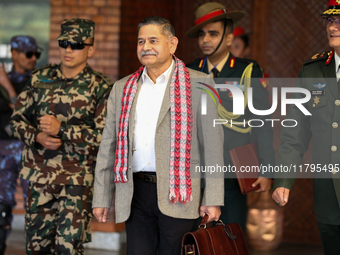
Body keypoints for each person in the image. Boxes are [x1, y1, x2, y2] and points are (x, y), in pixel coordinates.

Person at [92, 16, 224, 255]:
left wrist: (213, 197)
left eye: (153, 40)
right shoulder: (122, 88)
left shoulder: (200, 83)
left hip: (179, 192)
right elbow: (108, 146)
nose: (145, 47)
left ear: (172, 44)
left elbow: (213, 147)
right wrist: (101, 197)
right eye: (141, 41)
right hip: (135, 193)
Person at [10, 18, 113, 255]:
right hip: (40, 178)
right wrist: (37, 136)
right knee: (36, 249)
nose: (69, 49)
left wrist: (63, 131)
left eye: (77, 44)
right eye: (64, 43)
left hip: (77, 182)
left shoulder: (101, 87)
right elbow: (16, 121)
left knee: (68, 249)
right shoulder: (39, 79)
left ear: (91, 49)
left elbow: (104, 138)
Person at [186, 2, 275, 232]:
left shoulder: (247, 71)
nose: (206, 39)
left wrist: (267, 169)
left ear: (228, 39)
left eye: (213, 34)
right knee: (195, 240)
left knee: (231, 236)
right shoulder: (188, 71)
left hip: (232, 172)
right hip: (197, 172)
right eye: (202, 34)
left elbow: (262, 122)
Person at [272, 1, 340, 254]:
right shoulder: (312, 71)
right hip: (328, 197)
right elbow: (294, 134)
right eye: (330, 20)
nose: (333, 27)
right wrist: (284, 180)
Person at [0, 35, 41, 255]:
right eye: (28, 53)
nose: (33, 58)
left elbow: (30, 113)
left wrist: (8, 89)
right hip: (3, 149)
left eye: (37, 54)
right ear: (14, 53)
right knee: (1, 207)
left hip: (29, 151)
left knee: (35, 208)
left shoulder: (39, 81)